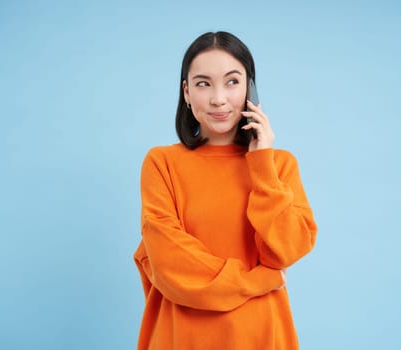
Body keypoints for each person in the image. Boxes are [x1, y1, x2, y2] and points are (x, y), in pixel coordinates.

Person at [133, 31, 318, 350]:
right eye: (204, 83)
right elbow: (173, 265)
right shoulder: (162, 163)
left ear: (251, 88)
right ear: (187, 93)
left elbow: (285, 250)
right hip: (182, 336)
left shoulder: (279, 165)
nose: (218, 98)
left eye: (232, 81)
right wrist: (259, 280)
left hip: (261, 334)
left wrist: (261, 162)